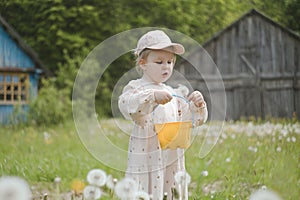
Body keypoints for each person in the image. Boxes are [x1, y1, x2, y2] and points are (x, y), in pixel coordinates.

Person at [118, 30, 208, 200]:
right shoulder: (137, 88)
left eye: (170, 61)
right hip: (146, 154)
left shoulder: (174, 93)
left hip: (170, 154)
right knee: (145, 187)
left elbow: (191, 120)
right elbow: (127, 105)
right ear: (143, 63)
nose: (166, 66)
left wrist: (197, 105)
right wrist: (152, 97)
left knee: (170, 188)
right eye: (159, 62)